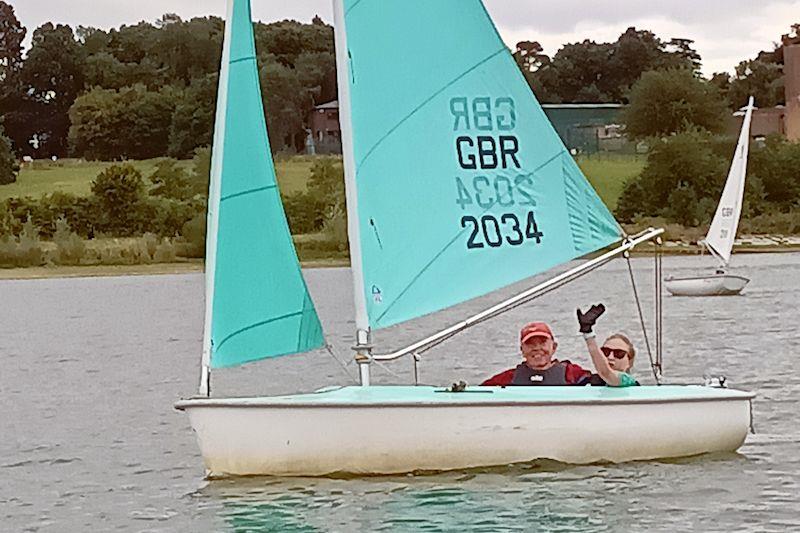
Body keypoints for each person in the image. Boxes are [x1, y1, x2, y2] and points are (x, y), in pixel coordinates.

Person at [482, 322, 592, 386]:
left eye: (542, 342)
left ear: (554, 347)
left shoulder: (572, 373)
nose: (537, 348)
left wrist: (589, 334)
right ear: (522, 350)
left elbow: (605, 380)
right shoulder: (507, 379)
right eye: (530, 344)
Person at [576, 304, 638, 387]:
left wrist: (588, 333)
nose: (610, 357)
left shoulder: (628, 381)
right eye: (606, 352)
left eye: (619, 353)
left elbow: (606, 373)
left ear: (629, 362)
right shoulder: (588, 381)